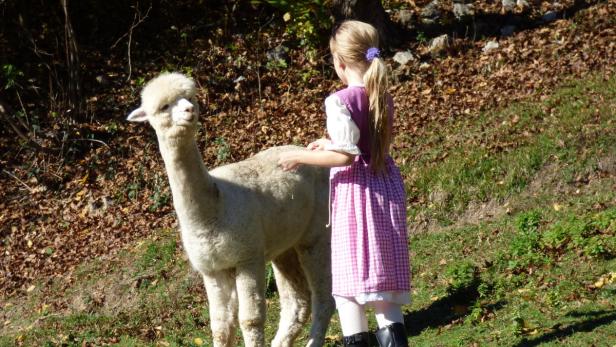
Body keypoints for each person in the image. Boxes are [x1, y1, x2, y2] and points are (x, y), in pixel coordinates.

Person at [278, 20, 411, 347]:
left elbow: (347, 157)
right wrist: (329, 143)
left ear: (339, 62)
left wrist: (300, 157)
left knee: (349, 290)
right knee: (385, 293)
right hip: (385, 189)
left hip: (357, 197)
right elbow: (357, 144)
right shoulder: (382, 95)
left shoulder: (339, 100)